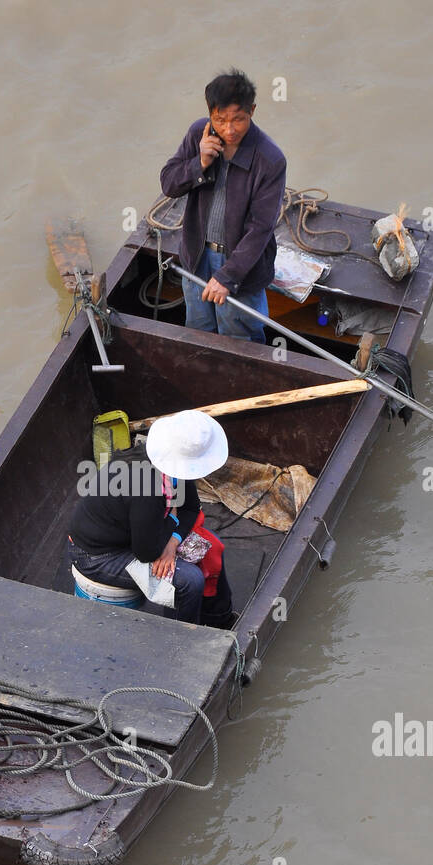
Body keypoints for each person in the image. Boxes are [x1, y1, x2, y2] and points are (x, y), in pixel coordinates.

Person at [67, 410, 233, 627]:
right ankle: (180, 640)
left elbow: (190, 508)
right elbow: (147, 552)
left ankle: (219, 621)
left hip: (137, 535)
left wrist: (173, 541)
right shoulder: (146, 487)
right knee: (190, 581)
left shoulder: (167, 464)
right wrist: (173, 519)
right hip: (96, 555)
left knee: (210, 549)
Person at [159, 68, 287, 343]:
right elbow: (168, 184)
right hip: (197, 256)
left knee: (240, 337)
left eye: (238, 119)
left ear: (252, 111)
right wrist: (199, 163)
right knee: (199, 331)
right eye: (220, 119)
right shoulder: (198, 135)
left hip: (242, 266)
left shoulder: (270, 159)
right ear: (210, 113)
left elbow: (261, 228)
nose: (229, 129)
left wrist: (228, 276)